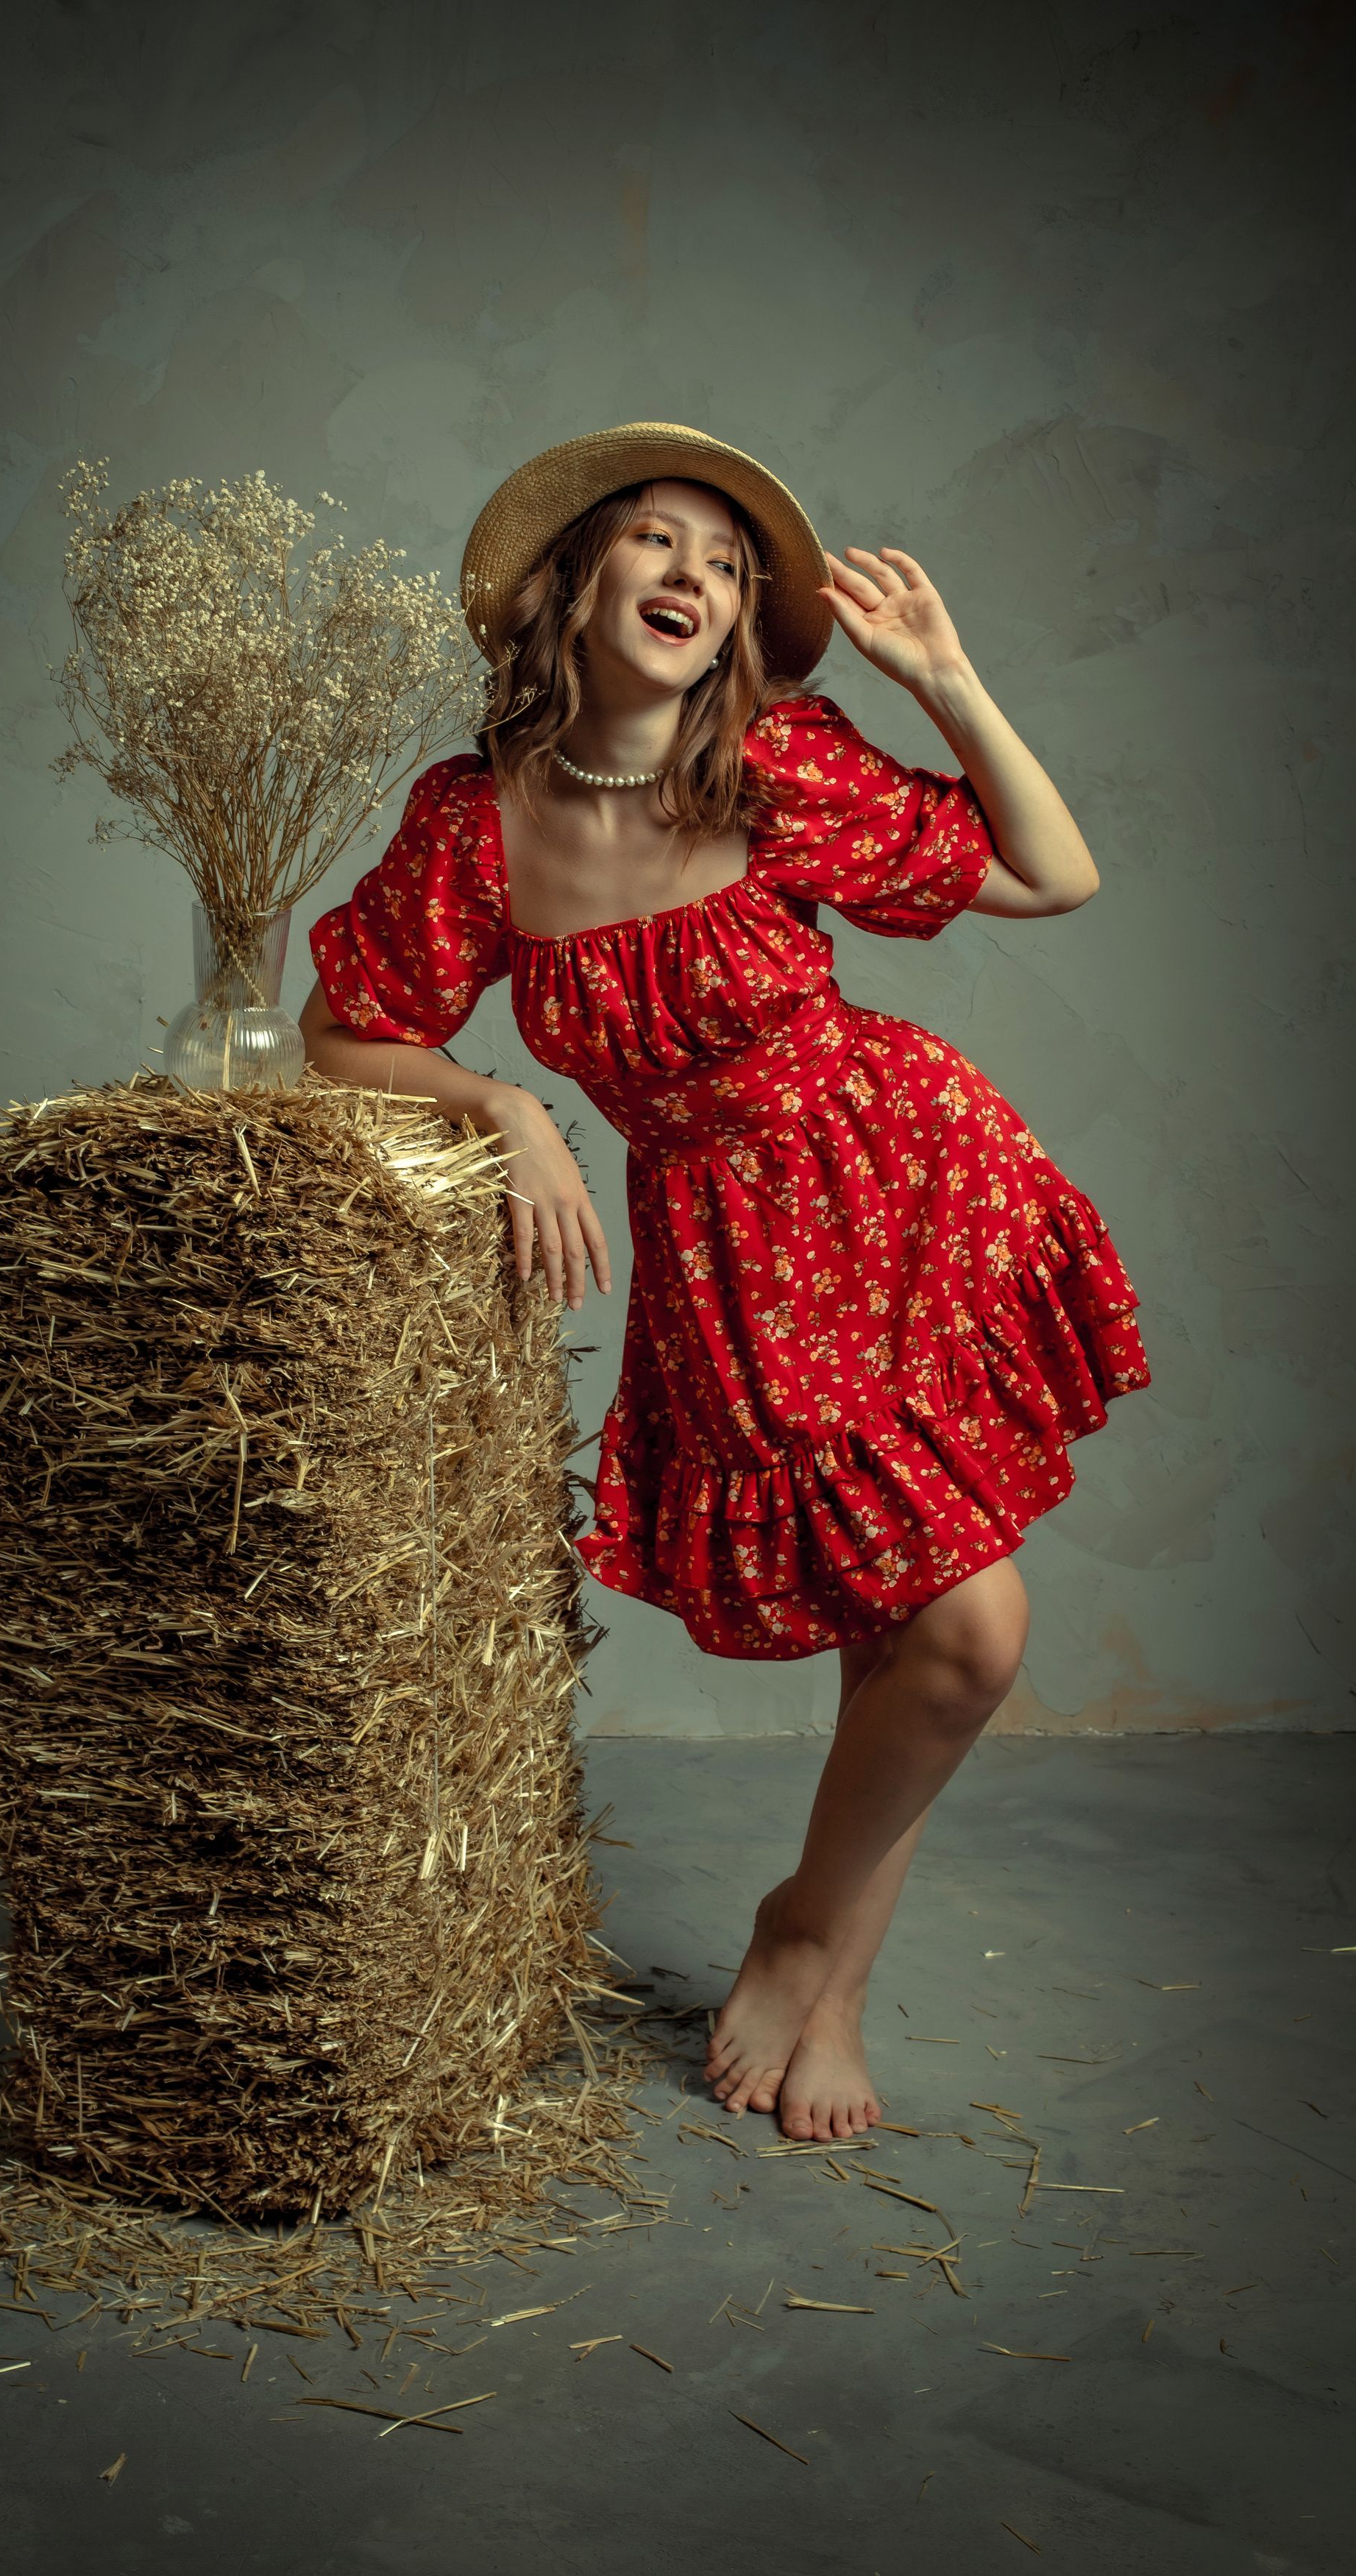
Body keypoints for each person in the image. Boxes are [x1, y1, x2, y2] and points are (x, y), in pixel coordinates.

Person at [299, 423, 1151, 2144]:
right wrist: (498, 1105)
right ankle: (830, 1987)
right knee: (893, 1633)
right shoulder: (473, 825)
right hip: (719, 1261)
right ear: (574, 582)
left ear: (739, 621)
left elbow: (1053, 875)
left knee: (961, 1631)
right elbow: (343, 1032)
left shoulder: (778, 771)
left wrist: (946, 680)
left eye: (724, 560)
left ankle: (799, 1930)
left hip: (895, 1189)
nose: (692, 574)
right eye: (656, 541)